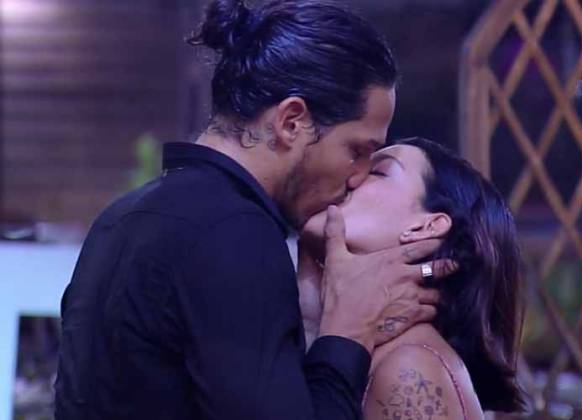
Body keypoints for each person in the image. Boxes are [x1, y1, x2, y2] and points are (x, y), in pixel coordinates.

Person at [54, 2, 454, 420]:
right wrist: (349, 329)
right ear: (291, 122)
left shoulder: (119, 218)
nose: (357, 177)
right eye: (356, 150)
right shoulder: (234, 231)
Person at [299, 138, 526, 419]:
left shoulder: (409, 370)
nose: (352, 177)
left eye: (377, 171)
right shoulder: (377, 353)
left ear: (426, 226)